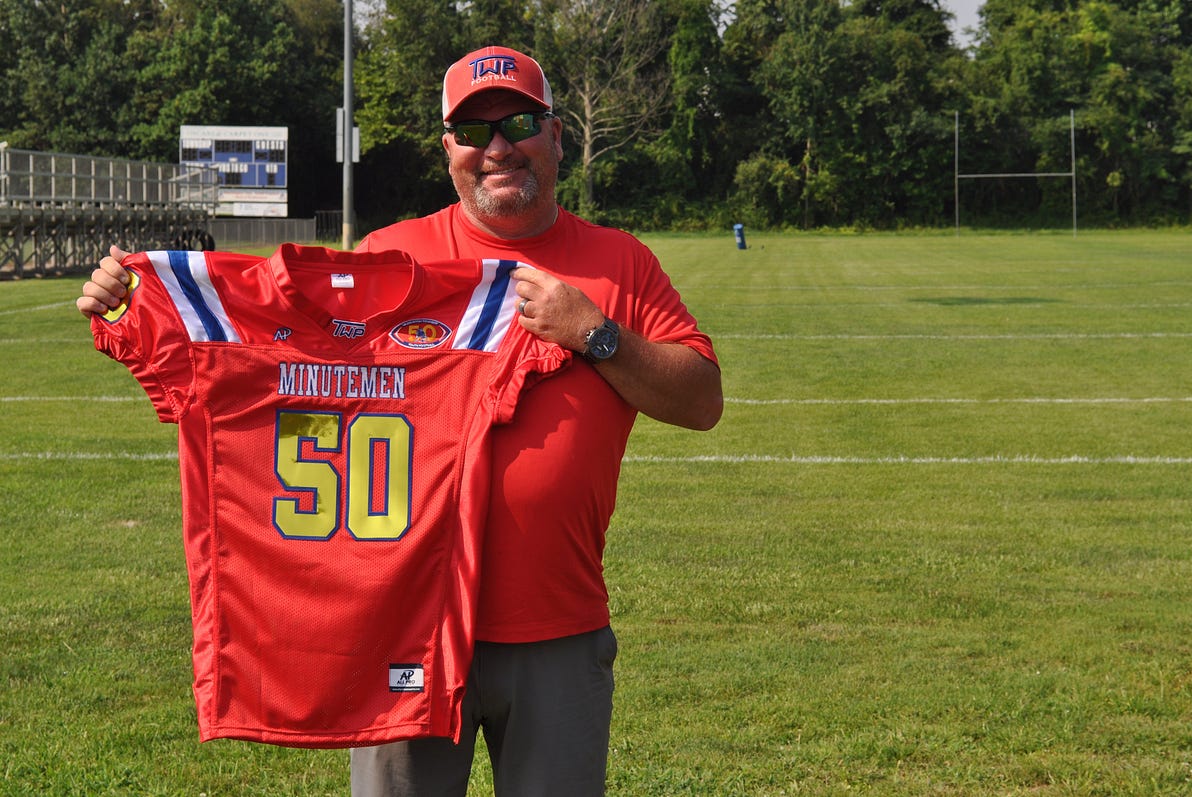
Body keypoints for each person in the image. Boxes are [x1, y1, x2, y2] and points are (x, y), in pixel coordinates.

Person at [77, 44, 722, 796]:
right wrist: (140, 309)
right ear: (447, 148)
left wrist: (593, 331)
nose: (498, 147)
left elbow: (701, 399)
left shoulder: (620, 263)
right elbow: (290, 386)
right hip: (400, 629)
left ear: (555, 134)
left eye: (517, 122)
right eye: (474, 132)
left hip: (558, 626)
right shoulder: (391, 257)